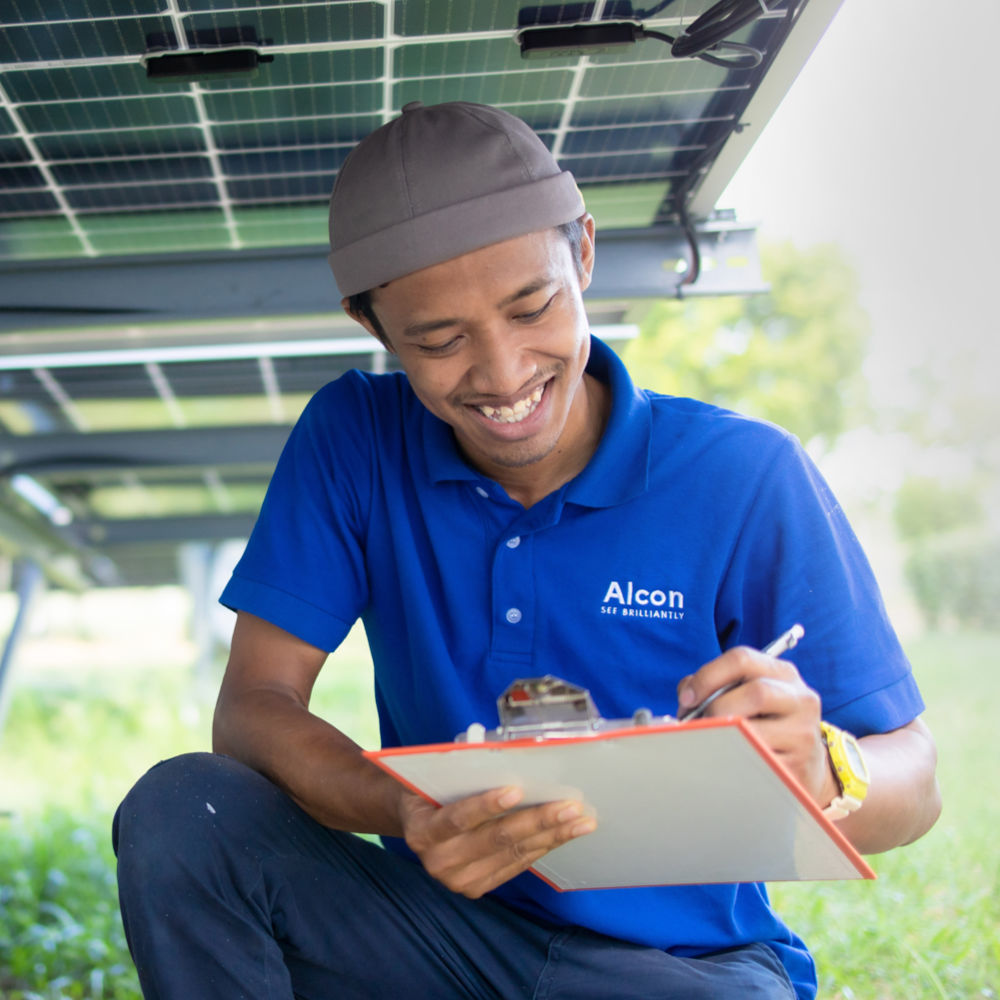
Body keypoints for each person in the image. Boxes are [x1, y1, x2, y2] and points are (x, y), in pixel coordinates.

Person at [113, 101, 941, 1000]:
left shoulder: (743, 475)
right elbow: (253, 712)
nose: (504, 373)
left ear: (582, 251)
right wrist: (404, 807)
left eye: (533, 306)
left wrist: (826, 767)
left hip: (678, 971)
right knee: (181, 814)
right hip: (434, 939)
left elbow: (916, 780)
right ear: (371, 323)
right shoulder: (354, 439)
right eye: (439, 341)